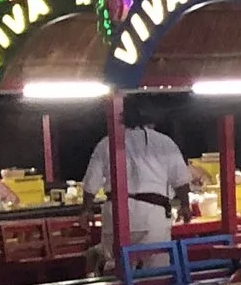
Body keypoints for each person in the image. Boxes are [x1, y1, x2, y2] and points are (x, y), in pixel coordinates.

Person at [82, 96, 194, 255]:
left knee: (116, 266)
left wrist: (86, 210)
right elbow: (180, 180)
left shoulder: (106, 143)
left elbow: (91, 183)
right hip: (153, 217)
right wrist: (185, 205)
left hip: (115, 216)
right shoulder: (164, 142)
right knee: (155, 268)